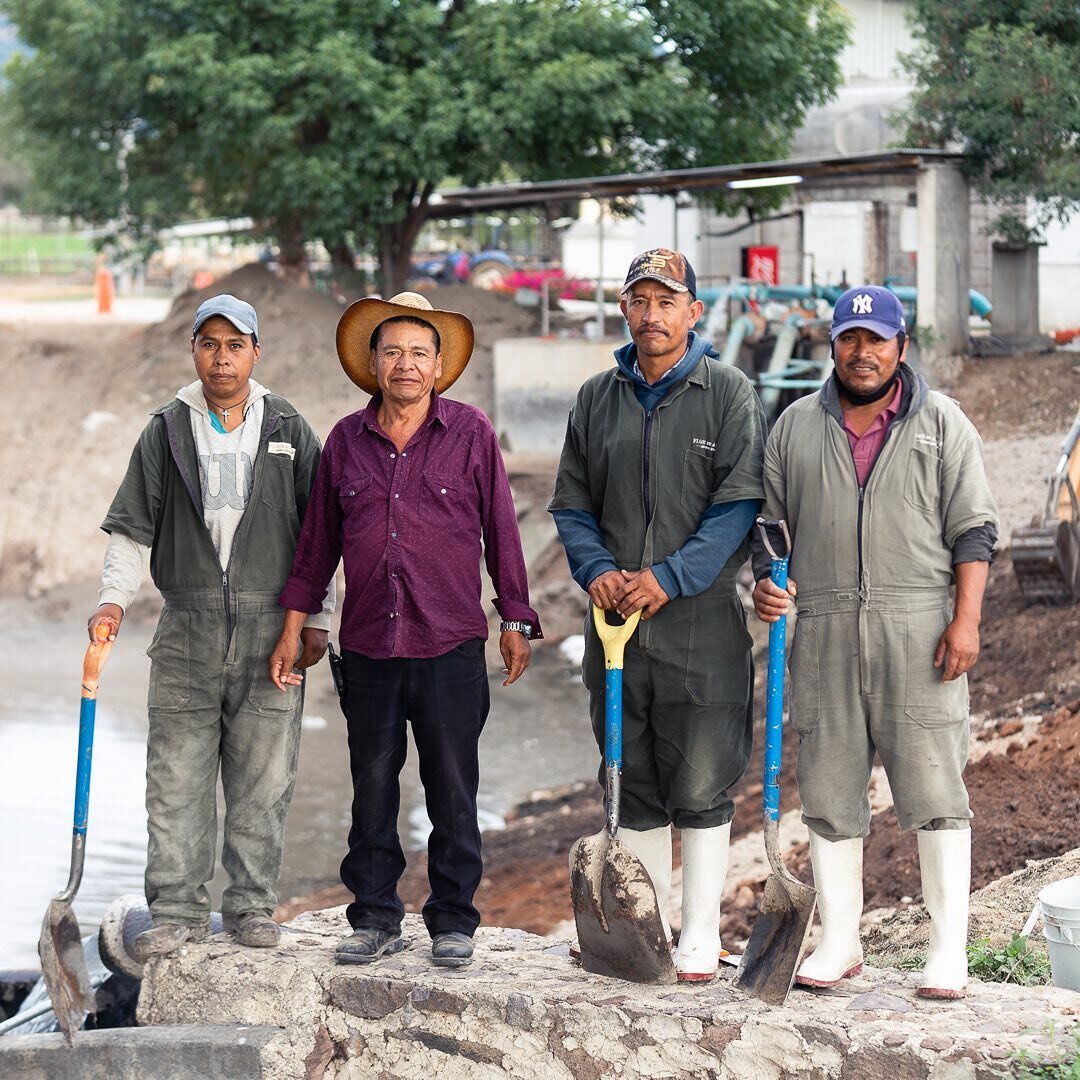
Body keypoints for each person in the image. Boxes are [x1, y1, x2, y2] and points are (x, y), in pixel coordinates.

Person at [270, 291, 541, 969]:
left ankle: (453, 920)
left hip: (449, 641)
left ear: (440, 365)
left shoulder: (473, 434)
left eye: (420, 351)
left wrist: (515, 617)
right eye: (392, 350)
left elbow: (502, 535)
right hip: (366, 646)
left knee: (453, 787)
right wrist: (294, 627)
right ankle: (375, 917)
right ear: (372, 362)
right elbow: (316, 548)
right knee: (372, 787)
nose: (406, 363)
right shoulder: (344, 442)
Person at [752, 285, 999, 999]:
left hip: (920, 626)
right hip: (823, 628)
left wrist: (967, 620)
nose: (863, 353)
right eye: (850, 338)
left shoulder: (944, 423)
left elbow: (974, 531)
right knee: (828, 793)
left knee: (935, 789)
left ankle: (948, 949)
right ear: (831, 344)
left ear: (901, 346)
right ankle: (840, 942)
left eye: (877, 339)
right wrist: (767, 586)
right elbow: (772, 535)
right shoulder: (794, 427)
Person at [88, 294, 332, 959]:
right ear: (193, 350)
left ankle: (252, 908)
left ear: (256, 352)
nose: (221, 358)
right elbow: (131, 529)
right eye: (209, 344)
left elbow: (321, 535)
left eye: (234, 345)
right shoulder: (166, 429)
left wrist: (318, 618)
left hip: (271, 628)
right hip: (186, 631)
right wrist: (113, 599)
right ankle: (175, 912)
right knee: (174, 782)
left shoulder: (287, 427)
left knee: (263, 782)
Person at [548, 248, 766, 981]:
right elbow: (572, 504)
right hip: (614, 629)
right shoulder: (596, 398)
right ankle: (649, 933)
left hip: (699, 626)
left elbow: (737, 506)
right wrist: (599, 570)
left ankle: (702, 934)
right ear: (624, 310)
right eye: (639, 300)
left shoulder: (728, 393)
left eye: (666, 300)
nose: (652, 314)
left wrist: (669, 577)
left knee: (702, 784)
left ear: (693, 311)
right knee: (629, 777)